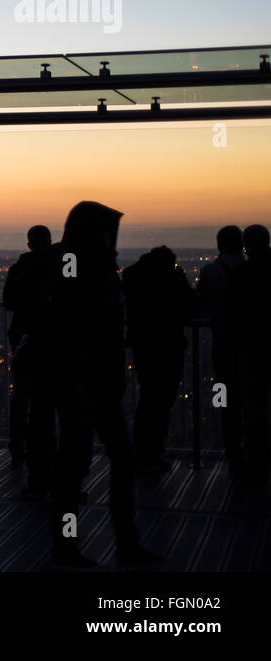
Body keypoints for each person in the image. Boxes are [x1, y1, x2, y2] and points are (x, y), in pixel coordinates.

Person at [39, 201, 157, 566]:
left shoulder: (76, 262)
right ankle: (117, 542)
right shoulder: (90, 264)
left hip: (87, 381)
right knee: (103, 463)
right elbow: (76, 324)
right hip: (88, 382)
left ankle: (74, 544)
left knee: (79, 469)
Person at [123, 245, 196, 471]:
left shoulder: (132, 277)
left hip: (142, 344)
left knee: (148, 398)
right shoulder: (171, 278)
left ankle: (141, 452)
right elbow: (191, 303)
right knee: (162, 401)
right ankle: (152, 454)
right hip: (167, 344)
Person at [3, 225, 54, 470]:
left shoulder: (18, 269)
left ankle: (17, 447)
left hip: (22, 338)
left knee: (21, 395)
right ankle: (44, 449)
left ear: (28, 244)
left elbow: (8, 302)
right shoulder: (56, 269)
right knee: (45, 399)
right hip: (49, 339)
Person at [197, 225, 247, 474]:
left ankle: (233, 455)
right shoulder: (256, 271)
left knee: (227, 402)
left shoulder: (210, 272)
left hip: (224, 347)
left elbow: (200, 305)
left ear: (219, 244)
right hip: (256, 349)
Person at [229, 224, 271, 486]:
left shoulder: (242, 273)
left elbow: (235, 313)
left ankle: (257, 465)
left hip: (251, 351)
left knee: (254, 409)